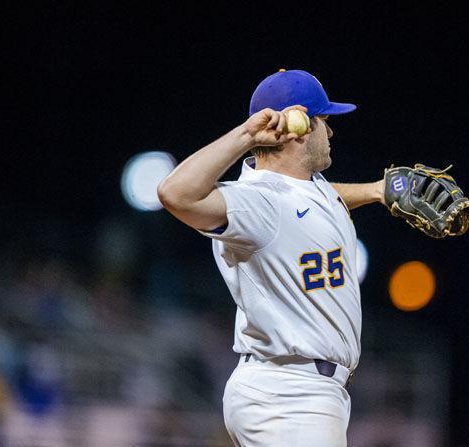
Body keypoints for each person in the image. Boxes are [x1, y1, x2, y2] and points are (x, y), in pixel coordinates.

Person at [158, 69, 384, 446]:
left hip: (304, 392)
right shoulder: (258, 202)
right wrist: (247, 135)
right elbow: (174, 194)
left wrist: (377, 192)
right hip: (287, 392)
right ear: (299, 124)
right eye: (324, 121)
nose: (330, 132)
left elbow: (322, 203)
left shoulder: (308, 190)